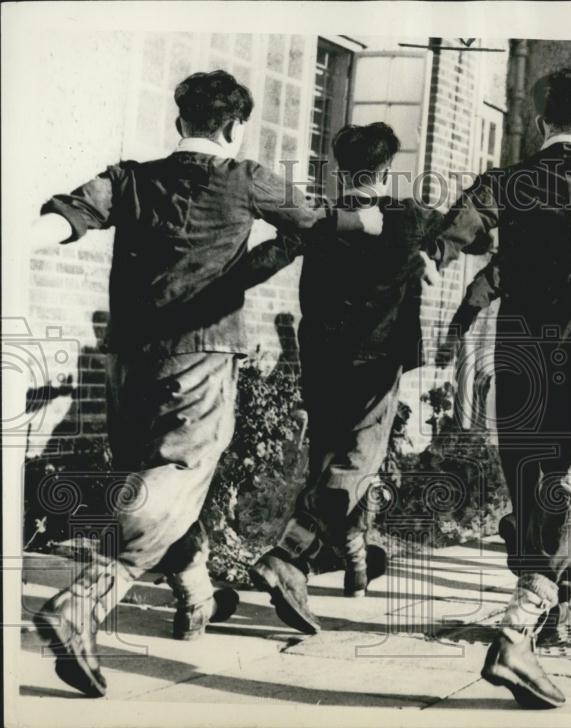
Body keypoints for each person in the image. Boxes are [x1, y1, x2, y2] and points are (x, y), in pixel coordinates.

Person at [29, 70, 381, 698]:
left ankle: (194, 593)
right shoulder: (247, 179)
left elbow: (69, 215)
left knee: (160, 474)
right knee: (176, 475)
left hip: (129, 361)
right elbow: (321, 222)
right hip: (201, 356)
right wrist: (367, 225)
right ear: (233, 126)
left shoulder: (131, 177)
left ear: (180, 121)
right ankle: (81, 604)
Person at [430, 68, 571, 709]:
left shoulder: (511, 179)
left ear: (540, 123)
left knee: (534, 482)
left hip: (525, 352)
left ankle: (535, 622)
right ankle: (518, 629)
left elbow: (464, 222)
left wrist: (443, 248)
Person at [246, 122, 459, 634]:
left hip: (322, 357)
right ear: (388, 169)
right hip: (376, 362)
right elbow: (459, 238)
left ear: (341, 168)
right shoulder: (410, 219)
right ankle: (290, 552)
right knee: (359, 461)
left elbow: (271, 257)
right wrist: (433, 259)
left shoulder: (320, 218)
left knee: (329, 461)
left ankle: (357, 563)